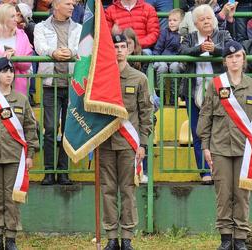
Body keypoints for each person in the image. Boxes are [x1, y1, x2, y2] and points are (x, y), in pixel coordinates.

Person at [197, 41, 252, 250]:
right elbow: (206, 115)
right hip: (219, 148)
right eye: (230, 58)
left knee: (242, 195)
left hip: (245, 150)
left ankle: (240, 240)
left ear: (243, 59)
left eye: (238, 56)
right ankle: (226, 238)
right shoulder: (216, 84)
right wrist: (205, 145)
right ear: (225, 62)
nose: (234, 60)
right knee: (223, 195)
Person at [100, 34, 153, 250]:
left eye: (123, 46)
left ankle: (128, 236)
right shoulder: (101, 78)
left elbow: (146, 113)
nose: (119, 50)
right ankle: (112, 236)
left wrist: (143, 143)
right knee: (107, 189)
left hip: (128, 144)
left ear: (129, 49)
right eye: (115, 46)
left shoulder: (139, 78)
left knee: (128, 190)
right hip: (105, 142)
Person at [0, 57, 38, 250]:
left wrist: (30, 154)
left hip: (15, 157)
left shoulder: (21, 99)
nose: (9, 75)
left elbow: (31, 128)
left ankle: (11, 238)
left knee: (12, 198)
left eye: (11, 71)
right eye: (5, 71)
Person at [180, 4, 232, 184]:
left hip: (218, 90)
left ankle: (219, 170)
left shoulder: (223, 35)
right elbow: (183, 51)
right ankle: (205, 172)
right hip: (193, 89)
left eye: (209, 18)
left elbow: (232, 49)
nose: (206, 21)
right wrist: (200, 48)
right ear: (195, 23)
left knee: (219, 130)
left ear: (214, 20)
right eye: (202, 19)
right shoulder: (190, 37)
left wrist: (214, 50)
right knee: (197, 130)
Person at [34, 0, 82, 185]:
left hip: (72, 84)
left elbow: (83, 48)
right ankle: (49, 171)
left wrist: (70, 51)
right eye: (68, 3)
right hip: (50, 84)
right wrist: (53, 53)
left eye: (73, 4)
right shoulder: (40, 27)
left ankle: (63, 171)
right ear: (56, 5)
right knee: (51, 128)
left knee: (68, 129)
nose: (72, 6)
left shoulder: (79, 28)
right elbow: (40, 47)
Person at [0, 3, 33, 95]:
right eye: (12, 16)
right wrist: (1, 58)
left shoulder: (22, 35)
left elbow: (27, 64)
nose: (16, 19)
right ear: (3, 18)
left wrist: (15, 58)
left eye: (16, 16)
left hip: (18, 90)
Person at [153, 8, 184, 105]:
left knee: (175, 67)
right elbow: (158, 47)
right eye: (169, 20)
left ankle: (174, 95)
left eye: (175, 20)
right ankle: (160, 94)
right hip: (163, 58)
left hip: (176, 59)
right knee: (162, 67)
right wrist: (155, 57)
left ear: (182, 22)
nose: (171, 23)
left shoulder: (183, 34)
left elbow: (183, 50)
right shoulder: (164, 32)